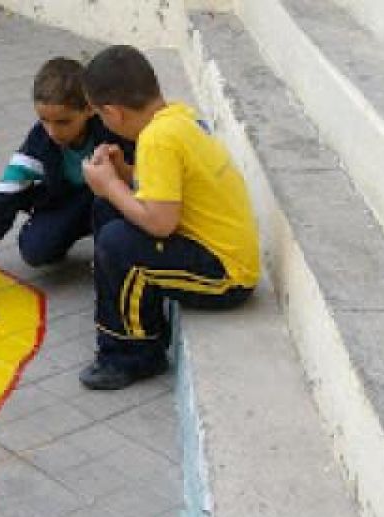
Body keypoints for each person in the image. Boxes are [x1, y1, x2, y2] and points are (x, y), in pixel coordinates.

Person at [78, 45, 260, 391]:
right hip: (218, 254)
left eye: (100, 116)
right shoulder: (176, 117)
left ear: (112, 113)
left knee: (117, 243)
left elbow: (161, 224)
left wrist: (111, 186)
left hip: (226, 277)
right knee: (110, 215)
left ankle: (130, 356)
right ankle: (139, 321)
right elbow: (163, 194)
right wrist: (124, 173)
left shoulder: (156, 140)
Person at [0, 57, 134, 297]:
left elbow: (146, 176)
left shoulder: (115, 131)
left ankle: (109, 255)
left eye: (63, 122)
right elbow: (3, 198)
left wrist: (123, 169)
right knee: (36, 250)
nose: (53, 131)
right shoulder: (38, 144)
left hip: (111, 201)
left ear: (90, 109)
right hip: (69, 205)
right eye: (44, 120)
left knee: (108, 206)